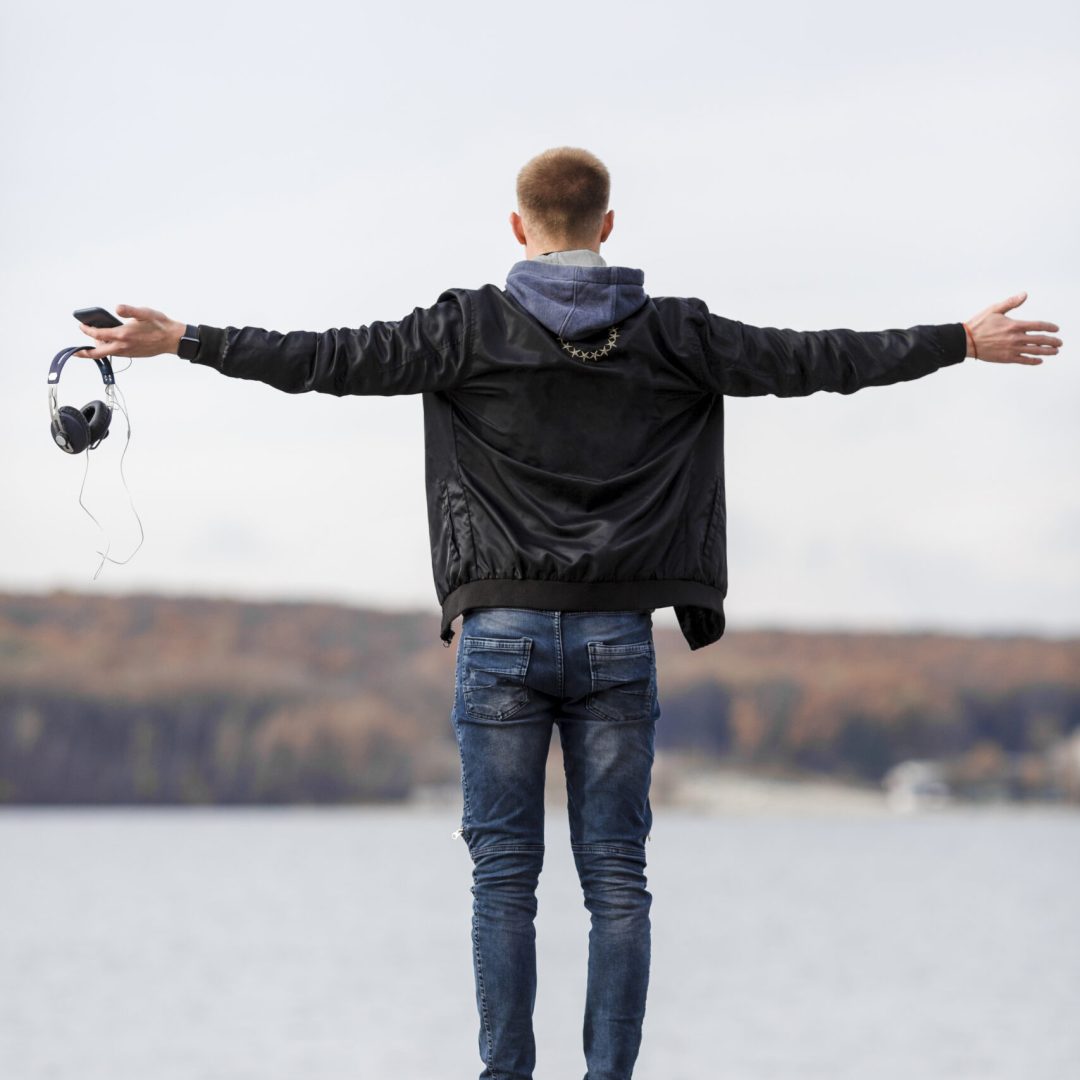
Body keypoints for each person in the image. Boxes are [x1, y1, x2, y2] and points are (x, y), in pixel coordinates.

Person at [75, 146, 1061, 1080]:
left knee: (503, 880)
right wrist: (958, 342)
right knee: (617, 882)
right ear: (610, 223)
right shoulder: (676, 333)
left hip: (499, 633)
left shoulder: (465, 328)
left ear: (519, 226)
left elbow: (327, 357)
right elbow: (816, 357)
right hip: (618, 638)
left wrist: (188, 340)